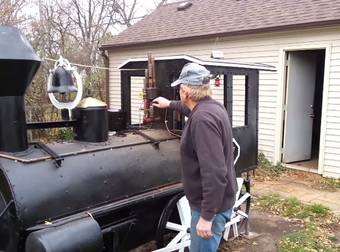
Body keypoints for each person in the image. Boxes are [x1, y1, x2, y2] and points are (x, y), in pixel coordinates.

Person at [152, 63, 238, 252]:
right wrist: (170, 104)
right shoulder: (213, 107)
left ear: (185, 93)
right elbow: (192, 109)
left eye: (180, 91)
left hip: (209, 210)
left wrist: (206, 217)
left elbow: (215, 172)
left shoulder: (202, 121)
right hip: (218, 202)